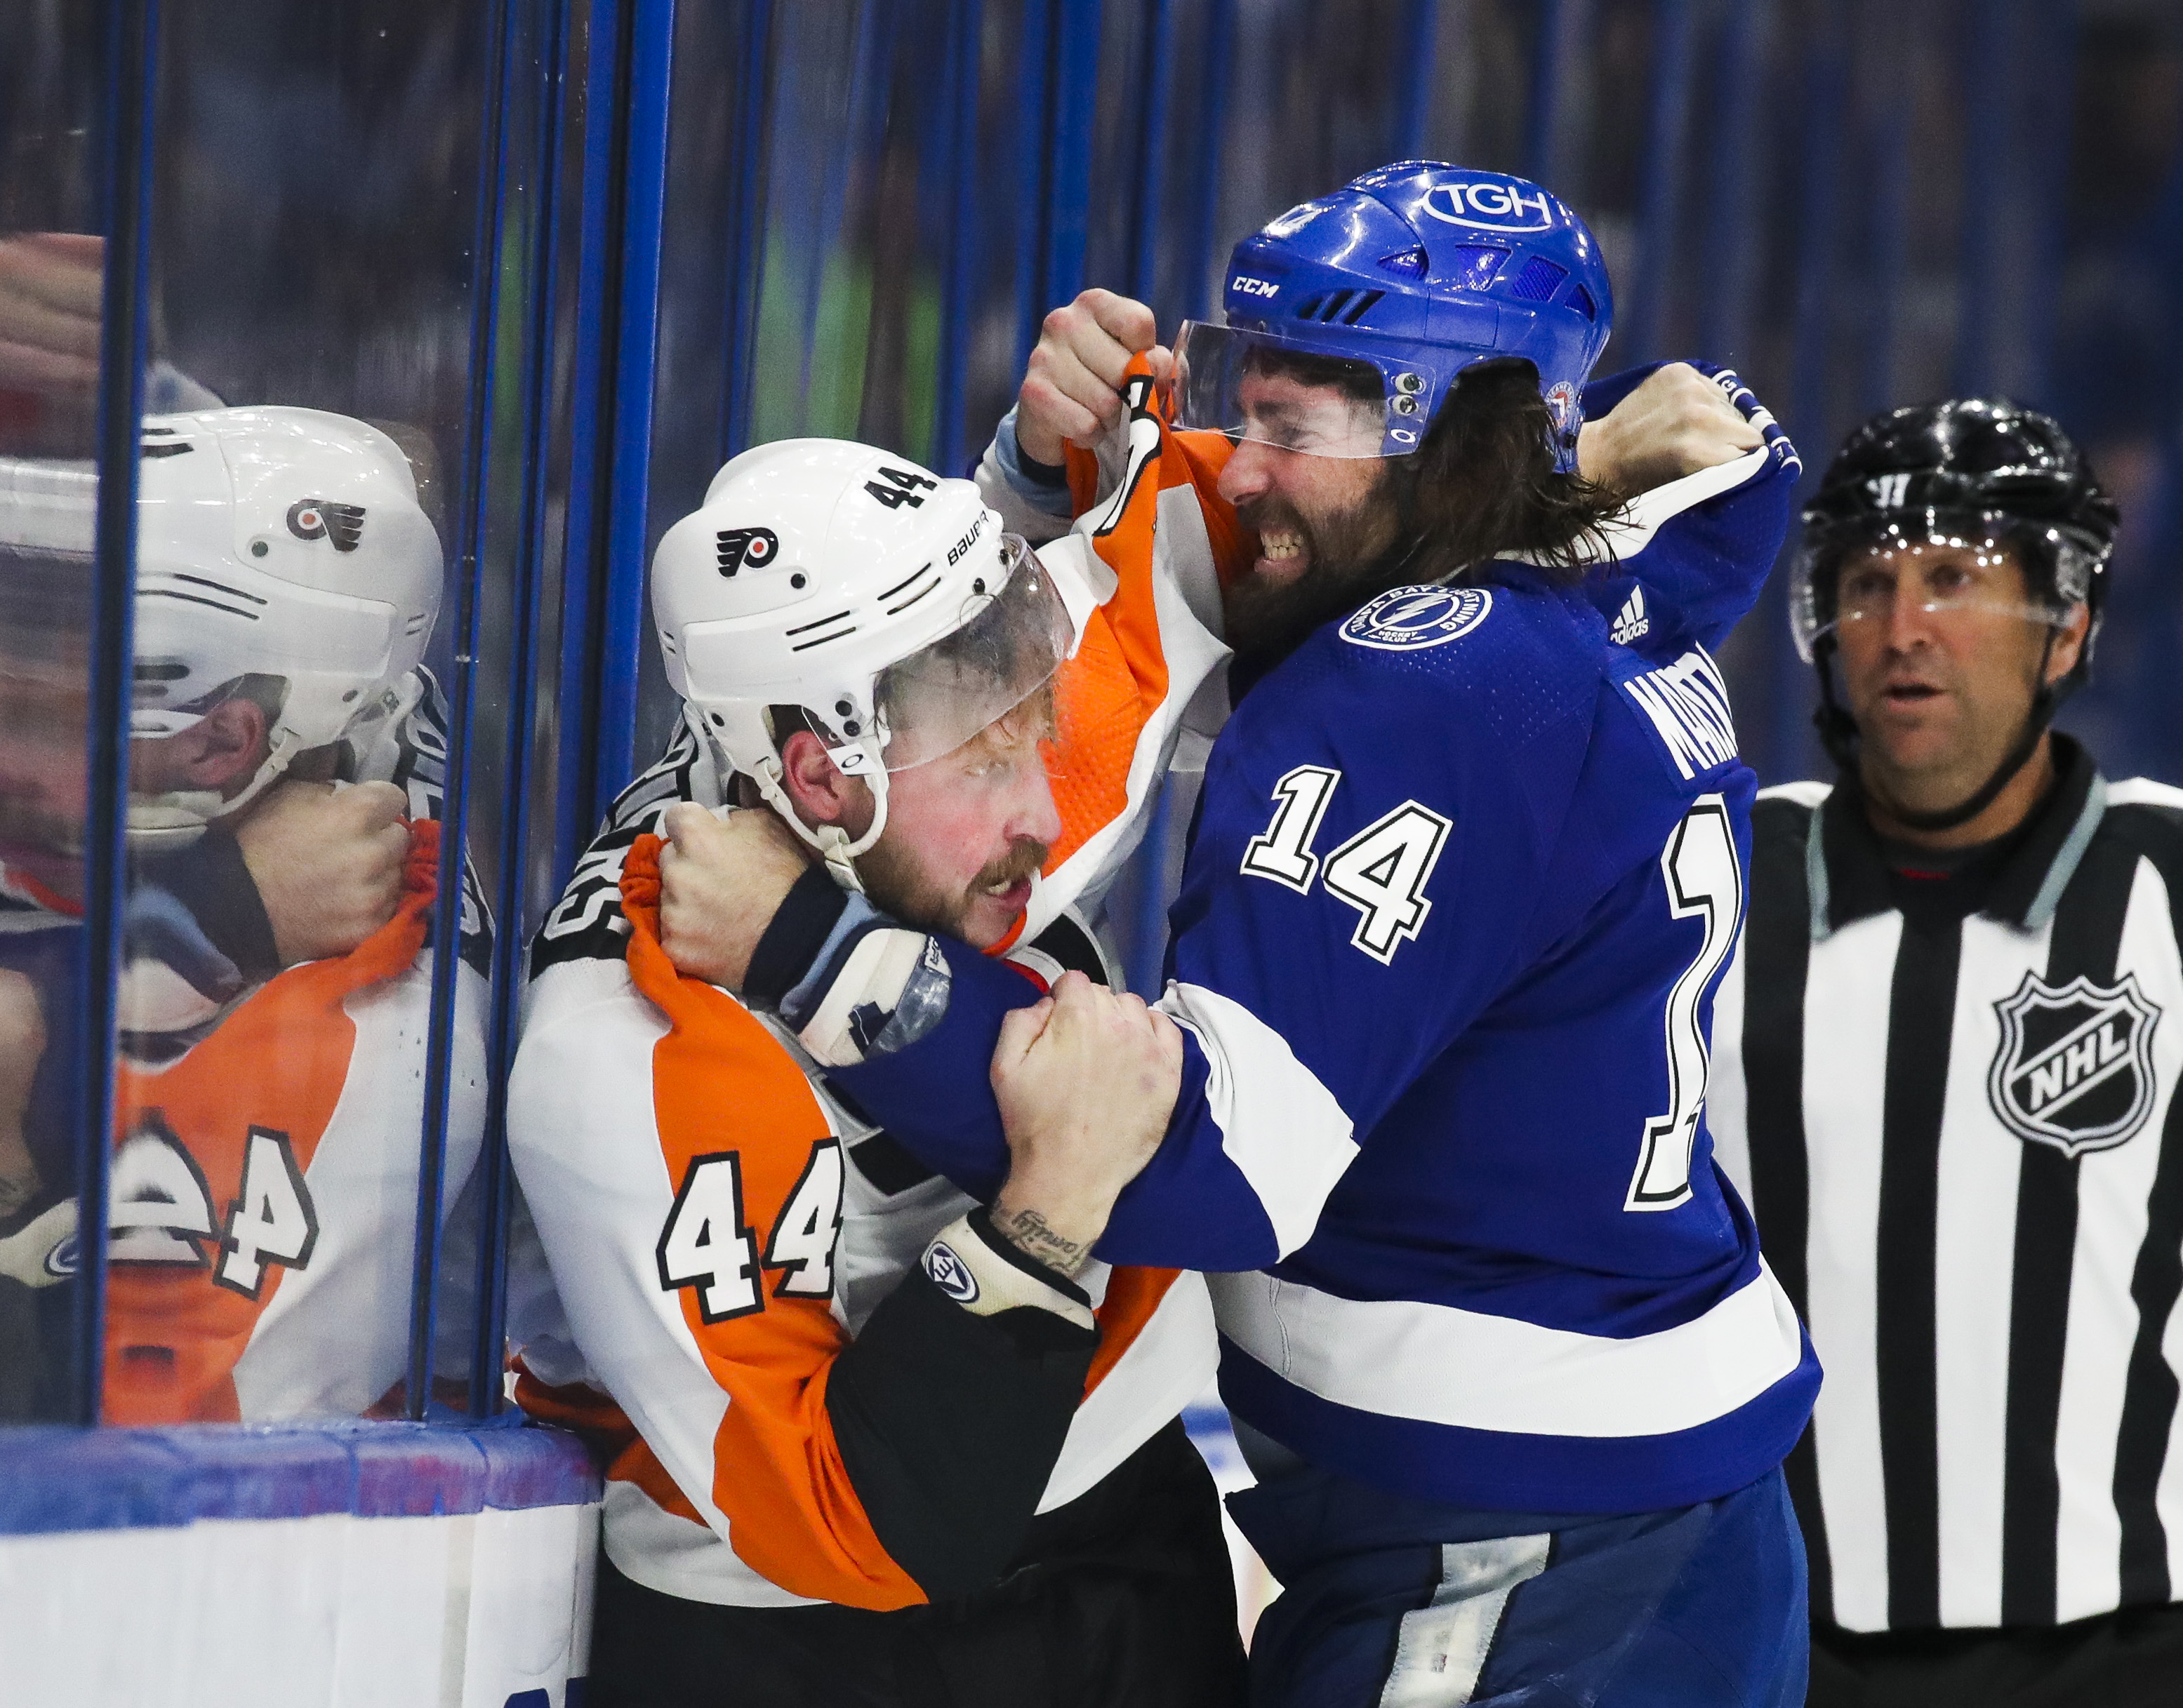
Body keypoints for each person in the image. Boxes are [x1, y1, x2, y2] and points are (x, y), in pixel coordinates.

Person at [653, 162, 1818, 1706]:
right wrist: (1038, 486)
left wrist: (814, 953)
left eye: (1292, 425)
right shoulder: (1618, 563)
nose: (1237, 467)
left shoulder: (1417, 689)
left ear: (1455, 436)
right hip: (1635, 1508)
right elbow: (1692, 476)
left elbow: (1215, 1164)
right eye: (1238, 403)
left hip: (1516, 1560)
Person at [505, 439, 1245, 1708]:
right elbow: (862, 1528)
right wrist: (1046, 1212)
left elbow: (1176, 597)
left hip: (1125, 1550)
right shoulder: (625, 1054)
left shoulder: (909, 806)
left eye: (1035, 735)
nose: (1049, 818)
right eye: (989, 763)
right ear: (816, 774)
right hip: (801, 1647)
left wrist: (1032, 462)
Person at [1706, 400, 2183, 1707]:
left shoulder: (2170, 880)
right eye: (1868, 580)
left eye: (1954, 578)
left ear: (2068, 625)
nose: (1901, 626)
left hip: (2121, 1652)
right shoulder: (1714, 878)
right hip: (1769, 1647)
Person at [0, 403, 486, 1422]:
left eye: (69, 665)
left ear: (224, 739)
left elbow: (117, 1445)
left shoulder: (383, 1040)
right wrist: (209, 914)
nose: (21, 691)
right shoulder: (225, 828)